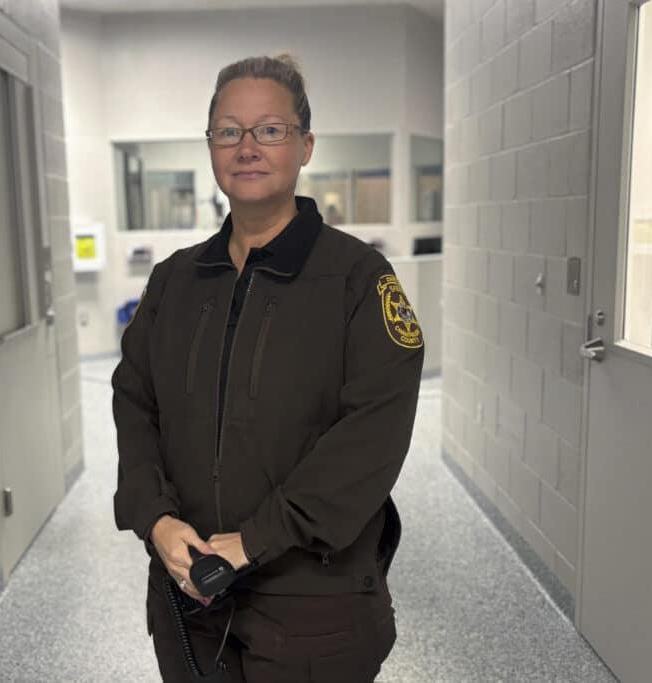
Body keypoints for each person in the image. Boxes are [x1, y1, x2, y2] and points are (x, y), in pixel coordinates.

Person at [112, 54, 424, 683]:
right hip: (191, 594)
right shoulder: (175, 281)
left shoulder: (358, 280)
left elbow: (373, 433)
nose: (247, 146)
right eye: (228, 131)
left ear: (305, 145)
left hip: (313, 604)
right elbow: (134, 402)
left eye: (270, 130)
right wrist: (157, 519)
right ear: (210, 147)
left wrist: (255, 539)